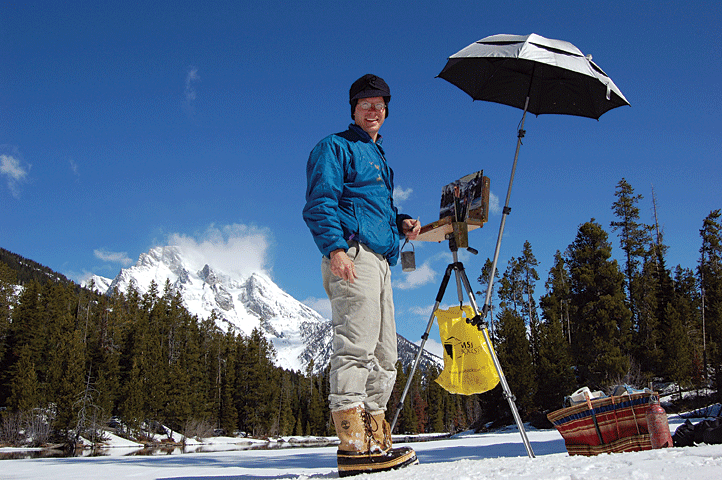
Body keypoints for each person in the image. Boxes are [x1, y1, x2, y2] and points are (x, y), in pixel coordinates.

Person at [302, 74, 421, 477]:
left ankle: (375, 437)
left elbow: (375, 208)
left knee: (386, 355)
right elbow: (321, 201)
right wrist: (335, 249)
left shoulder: (379, 156)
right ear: (353, 109)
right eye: (367, 104)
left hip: (382, 260)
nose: (375, 111)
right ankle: (353, 444)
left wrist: (400, 221)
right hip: (353, 254)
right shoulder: (334, 147)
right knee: (356, 345)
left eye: (381, 105)